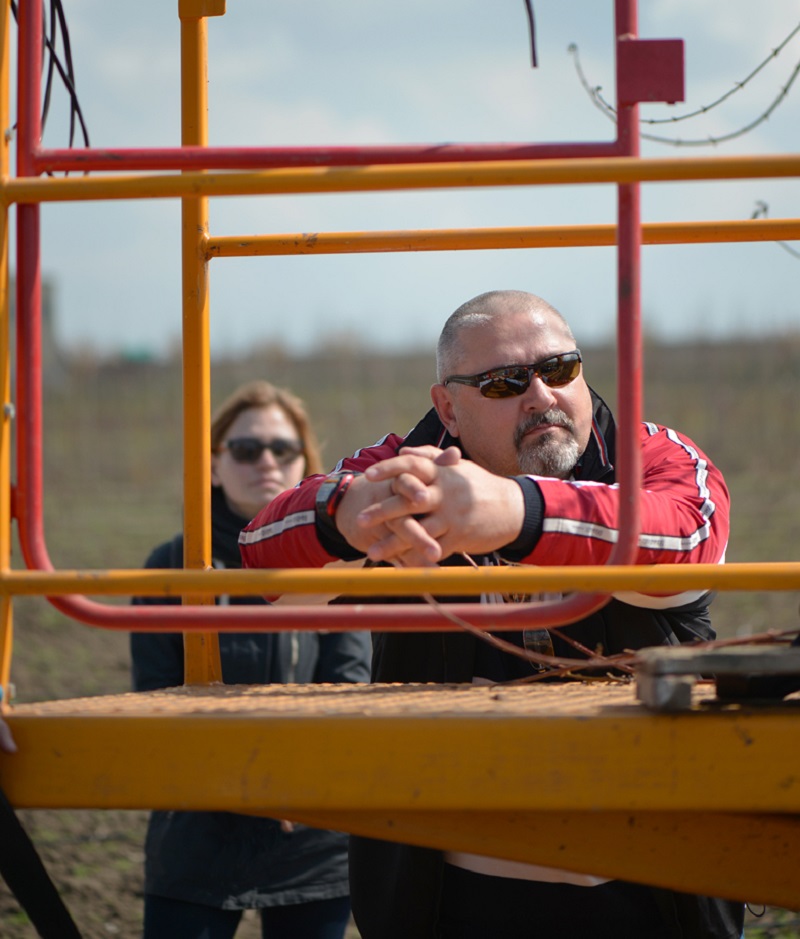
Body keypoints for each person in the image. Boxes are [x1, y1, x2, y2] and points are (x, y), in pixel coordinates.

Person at [240, 291, 745, 939]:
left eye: (560, 368)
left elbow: (686, 538)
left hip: (655, 886)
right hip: (451, 894)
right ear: (447, 407)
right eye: (504, 381)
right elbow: (263, 557)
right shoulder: (404, 470)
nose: (540, 395)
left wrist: (511, 512)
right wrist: (355, 512)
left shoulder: (656, 457)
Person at [131, 380, 371, 939]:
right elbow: (157, 698)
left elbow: (347, 686)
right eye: (245, 448)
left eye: (282, 449)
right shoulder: (170, 565)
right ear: (214, 466)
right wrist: (247, 781)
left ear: (305, 467)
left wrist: (285, 778)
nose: (265, 460)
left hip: (312, 828)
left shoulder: (337, 567)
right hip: (195, 831)